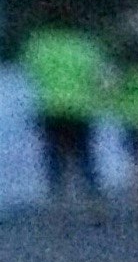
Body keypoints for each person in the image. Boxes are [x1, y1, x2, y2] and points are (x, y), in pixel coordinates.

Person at [20, 20, 112, 206]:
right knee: (84, 154)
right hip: (80, 108)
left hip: (51, 107)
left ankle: (57, 197)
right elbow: (99, 78)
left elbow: (29, 70)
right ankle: (93, 196)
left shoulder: (39, 43)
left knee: (54, 154)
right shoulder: (85, 44)